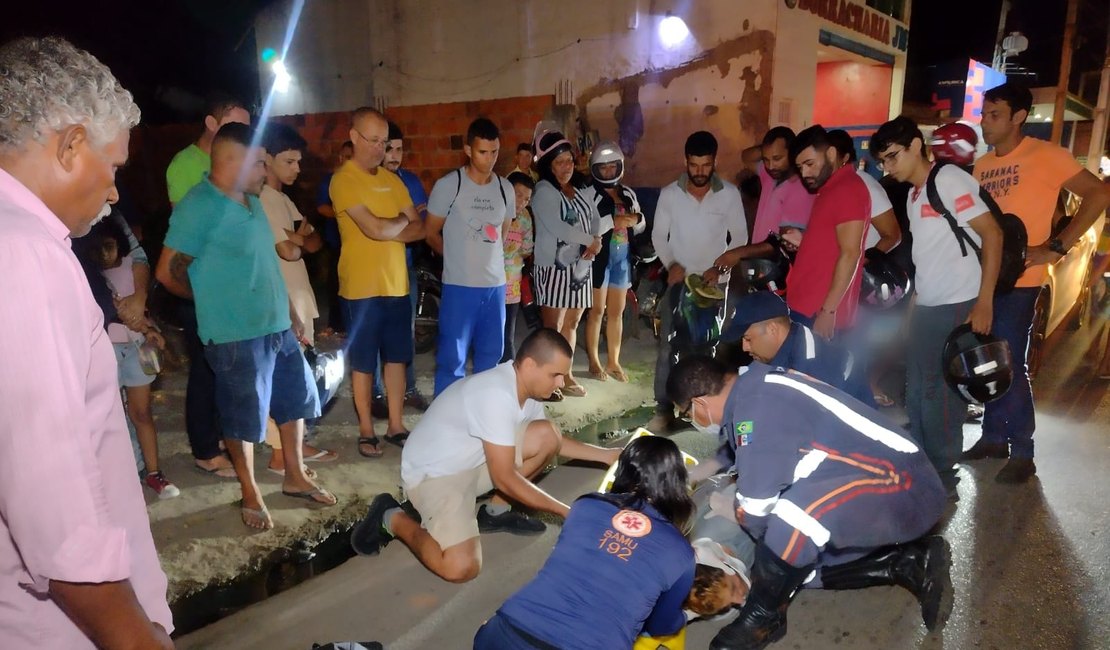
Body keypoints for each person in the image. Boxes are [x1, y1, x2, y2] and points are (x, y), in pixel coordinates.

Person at [0, 35, 173, 648]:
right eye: (115, 167)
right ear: (72, 145)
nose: (115, 192)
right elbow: (60, 525)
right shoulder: (24, 255)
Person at [667, 357, 951, 649]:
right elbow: (739, 448)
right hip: (875, 476)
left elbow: (755, 510)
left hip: (904, 484)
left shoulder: (756, 411)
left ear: (699, 404)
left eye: (686, 414)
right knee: (791, 572)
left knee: (790, 526)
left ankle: (763, 618)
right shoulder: (753, 391)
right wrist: (694, 475)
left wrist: (745, 524)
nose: (693, 421)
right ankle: (908, 563)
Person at [157, 122, 337, 530]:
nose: (264, 170)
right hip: (235, 334)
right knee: (242, 418)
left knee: (294, 403)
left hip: (276, 324)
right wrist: (212, 297)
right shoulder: (198, 206)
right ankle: (251, 491)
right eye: (258, 163)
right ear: (232, 161)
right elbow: (168, 272)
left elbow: (266, 264)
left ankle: (294, 476)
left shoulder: (253, 201)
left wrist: (290, 312)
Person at [350, 329, 622, 583]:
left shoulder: (527, 390)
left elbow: (555, 442)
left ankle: (496, 512)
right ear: (529, 366)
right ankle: (390, 517)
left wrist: (606, 455)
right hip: (435, 476)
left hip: (476, 462)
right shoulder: (495, 394)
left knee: (547, 434)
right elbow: (504, 478)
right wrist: (568, 512)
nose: (561, 383)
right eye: (556, 375)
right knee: (461, 568)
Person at [967, 82, 1110, 483]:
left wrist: (1056, 246)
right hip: (986, 278)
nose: (985, 122)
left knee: (1010, 361)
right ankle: (993, 437)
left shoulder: (1046, 156)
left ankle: (1023, 451)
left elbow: (1098, 195)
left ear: (1018, 117)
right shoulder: (981, 166)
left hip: (1023, 279)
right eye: (983, 114)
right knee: (990, 359)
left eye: (994, 115)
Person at [870, 116, 1002, 494]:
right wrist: (913, 310)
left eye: (893, 157)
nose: (888, 167)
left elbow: (991, 234)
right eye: (883, 161)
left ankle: (943, 472)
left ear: (916, 145)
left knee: (941, 393)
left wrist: (985, 302)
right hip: (928, 305)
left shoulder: (948, 180)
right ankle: (924, 462)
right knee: (917, 389)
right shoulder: (914, 195)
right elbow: (926, 258)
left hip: (958, 303)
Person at [472, 435, 695, 649]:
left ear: (623, 472)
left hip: (503, 634)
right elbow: (660, 626)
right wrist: (679, 618)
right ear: (676, 483)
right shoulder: (680, 552)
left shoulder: (586, 505)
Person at [329, 107, 425, 457]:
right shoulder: (343, 180)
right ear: (354, 137)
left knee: (398, 358)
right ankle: (366, 428)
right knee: (364, 362)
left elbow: (419, 228)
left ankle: (396, 425)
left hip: (397, 284)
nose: (380, 149)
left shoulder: (393, 180)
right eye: (373, 141)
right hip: (361, 288)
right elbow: (374, 228)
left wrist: (392, 225)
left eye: (384, 142)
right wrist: (398, 222)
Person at [165, 93, 251, 479]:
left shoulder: (239, 164)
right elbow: (194, 229)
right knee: (205, 368)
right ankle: (204, 449)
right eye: (235, 125)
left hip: (229, 284)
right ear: (212, 124)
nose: (244, 134)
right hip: (198, 283)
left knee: (225, 366)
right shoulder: (185, 165)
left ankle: (219, 438)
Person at [72, 216, 179, 498]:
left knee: (141, 413)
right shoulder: (89, 275)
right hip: (104, 351)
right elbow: (117, 308)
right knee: (112, 416)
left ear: (121, 244)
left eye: (109, 247)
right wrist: (147, 327)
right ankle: (128, 473)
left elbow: (135, 308)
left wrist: (148, 326)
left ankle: (153, 472)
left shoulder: (133, 267)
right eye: (97, 250)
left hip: (135, 349)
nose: (104, 255)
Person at [648, 130, 747, 430]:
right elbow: (657, 236)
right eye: (694, 165)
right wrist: (671, 264)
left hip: (713, 287)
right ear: (686, 161)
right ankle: (664, 408)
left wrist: (721, 269)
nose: (700, 171)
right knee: (668, 345)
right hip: (678, 283)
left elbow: (740, 237)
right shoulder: (669, 194)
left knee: (707, 347)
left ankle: (702, 408)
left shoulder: (729, 194)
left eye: (706, 165)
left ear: (715, 161)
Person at [259, 122, 338, 474]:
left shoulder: (284, 199)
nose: (297, 169)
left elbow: (314, 242)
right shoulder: (263, 199)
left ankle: (296, 444)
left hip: (299, 298)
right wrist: (299, 238)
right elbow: (288, 251)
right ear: (266, 158)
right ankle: (281, 456)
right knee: (286, 377)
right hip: (283, 300)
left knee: (300, 375)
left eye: (298, 161)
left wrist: (299, 238)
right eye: (289, 161)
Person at [426, 118, 516, 395]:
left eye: (494, 152)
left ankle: (483, 420)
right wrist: (457, 258)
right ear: (467, 150)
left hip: (495, 288)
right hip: (459, 287)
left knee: (491, 358)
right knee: (452, 361)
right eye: (482, 152)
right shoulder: (449, 185)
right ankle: (447, 422)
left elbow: (502, 233)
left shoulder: (505, 188)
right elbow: (430, 233)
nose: (489, 159)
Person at [531, 130, 604, 398]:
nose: (566, 167)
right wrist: (589, 240)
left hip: (580, 268)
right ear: (548, 165)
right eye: (559, 162)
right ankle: (547, 380)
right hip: (554, 269)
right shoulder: (543, 191)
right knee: (553, 328)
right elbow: (558, 227)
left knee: (571, 324)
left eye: (569, 161)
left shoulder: (579, 189)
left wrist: (595, 239)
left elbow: (595, 216)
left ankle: (566, 373)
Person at [785, 125, 872, 340]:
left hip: (818, 312)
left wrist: (828, 310)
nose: (805, 173)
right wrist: (805, 242)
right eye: (800, 167)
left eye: (810, 164)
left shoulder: (847, 189)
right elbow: (834, 245)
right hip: (808, 305)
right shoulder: (831, 188)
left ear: (831, 154)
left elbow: (851, 253)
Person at [721, 290, 873, 406]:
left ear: (772, 329)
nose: (744, 347)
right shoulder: (794, 340)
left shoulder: (813, 367)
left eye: (748, 339)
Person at [379, 120, 431, 410]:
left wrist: (386, 230)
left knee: (404, 332)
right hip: (372, 272)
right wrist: (401, 226)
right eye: (389, 148)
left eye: (399, 149)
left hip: (404, 267)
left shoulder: (410, 181)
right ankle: (376, 394)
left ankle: (408, 389)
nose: (394, 155)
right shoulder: (366, 182)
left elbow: (420, 225)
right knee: (373, 334)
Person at [584, 141, 645, 383]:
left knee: (617, 312)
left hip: (623, 258)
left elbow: (639, 225)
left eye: (613, 167)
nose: (609, 171)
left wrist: (636, 218)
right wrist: (616, 220)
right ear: (594, 169)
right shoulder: (588, 193)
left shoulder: (628, 193)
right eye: (603, 167)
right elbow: (589, 227)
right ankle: (593, 360)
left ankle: (613, 361)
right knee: (597, 311)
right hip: (599, 259)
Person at [317, 140, 354, 337]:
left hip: (357, 246)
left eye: (348, 157)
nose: (343, 160)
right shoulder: (330, 180)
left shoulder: (359, 180)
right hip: (337, 243)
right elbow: (322, 207)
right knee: (335, 285)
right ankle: (336, 324)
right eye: (342, 156)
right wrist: (345, 214)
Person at [502, 172, 536, 361]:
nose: (522, 202)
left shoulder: (525, 217)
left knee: (508, 336)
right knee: (489, 336)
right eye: (518, 194)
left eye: (527, 198)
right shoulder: (494, 212)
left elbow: (527, 248)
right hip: (490, 285)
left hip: (512, 289)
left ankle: (506, 379)